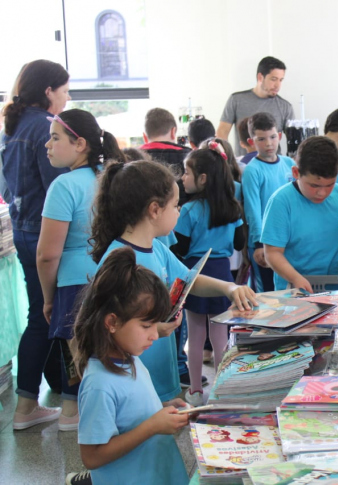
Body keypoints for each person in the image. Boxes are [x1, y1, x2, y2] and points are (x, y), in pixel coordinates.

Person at [89, 160, 256, 405]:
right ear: (154, 210)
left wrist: (228, 287)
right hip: (132, 379)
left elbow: (189, 279)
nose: (179, 212)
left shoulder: (156, 247)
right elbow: (109, 327)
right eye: (176, 206)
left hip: (159, 373)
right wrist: (155, 330)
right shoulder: (119, 259)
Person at [37, 109, 126, 431]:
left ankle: (82, 423)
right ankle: (106, 418)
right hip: (119, 277)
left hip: (75, 285)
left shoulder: (64, 186)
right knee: (111, 357)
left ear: (80, 144)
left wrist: (49, 298)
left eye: (55, 138)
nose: (47, 144)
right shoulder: (116, 176)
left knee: (82, 361)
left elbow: (47, 255)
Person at [72, 247, 189, 485]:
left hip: (155, 471)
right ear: (112, 322)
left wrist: (162, 407)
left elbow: (128, 411)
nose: (155, 336)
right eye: (146, 327)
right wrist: (152, 426)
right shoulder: (99, 384)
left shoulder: (130, 356)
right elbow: (92, 457)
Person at [3, 59, 70, 430]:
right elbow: (58, 190)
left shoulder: (11, 128)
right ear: (48, 91)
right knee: (47, 318)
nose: (67, 97)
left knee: (41, 315)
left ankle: (39, 398)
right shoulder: (46, 127)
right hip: (45, 235)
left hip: (22, 231)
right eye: (64, 90)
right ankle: (29, 407)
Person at [174, 141, 245, 405]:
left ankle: (194, 391)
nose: (183, 178)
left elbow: (178, 248)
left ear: (202, 179)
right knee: (221, 338)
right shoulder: (232, 208)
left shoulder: (189, 211)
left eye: (186, 173)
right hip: (222, 273)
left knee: (195, 337)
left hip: (196, 273)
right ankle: (222, 389)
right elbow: (238, 243)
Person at [262, 136, 338, 292]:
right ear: (296, 172)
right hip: (295, 290)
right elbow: (272, 252)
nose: (321, 192)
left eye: (329, 184)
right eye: (314, 185)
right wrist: (295, 278)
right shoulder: (281, 201)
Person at [243, 112, 296, 292]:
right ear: (252, 142)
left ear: (279, 136)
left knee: (289, 289)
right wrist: (259, 244)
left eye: (273, 137)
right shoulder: (252, 170)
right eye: (261, 139)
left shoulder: (290, 164)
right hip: (265, 242)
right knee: (267, 293)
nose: (269, 143)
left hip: (289, 240)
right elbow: (253, 210)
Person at [217, 57, 294, 157]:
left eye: (281, 80)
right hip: (244, 165)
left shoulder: (285, 107)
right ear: (260, 77)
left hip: (274, 167)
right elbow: (222, 132)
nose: (278, 85)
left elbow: (293, 143)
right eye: (273, 79)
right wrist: (228, 160)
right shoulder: (236, 100)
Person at [139, 107, 192, 205]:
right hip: (183, 217)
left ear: (145, 137)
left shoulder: (133, 158)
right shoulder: (190, 156)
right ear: (173, 132)